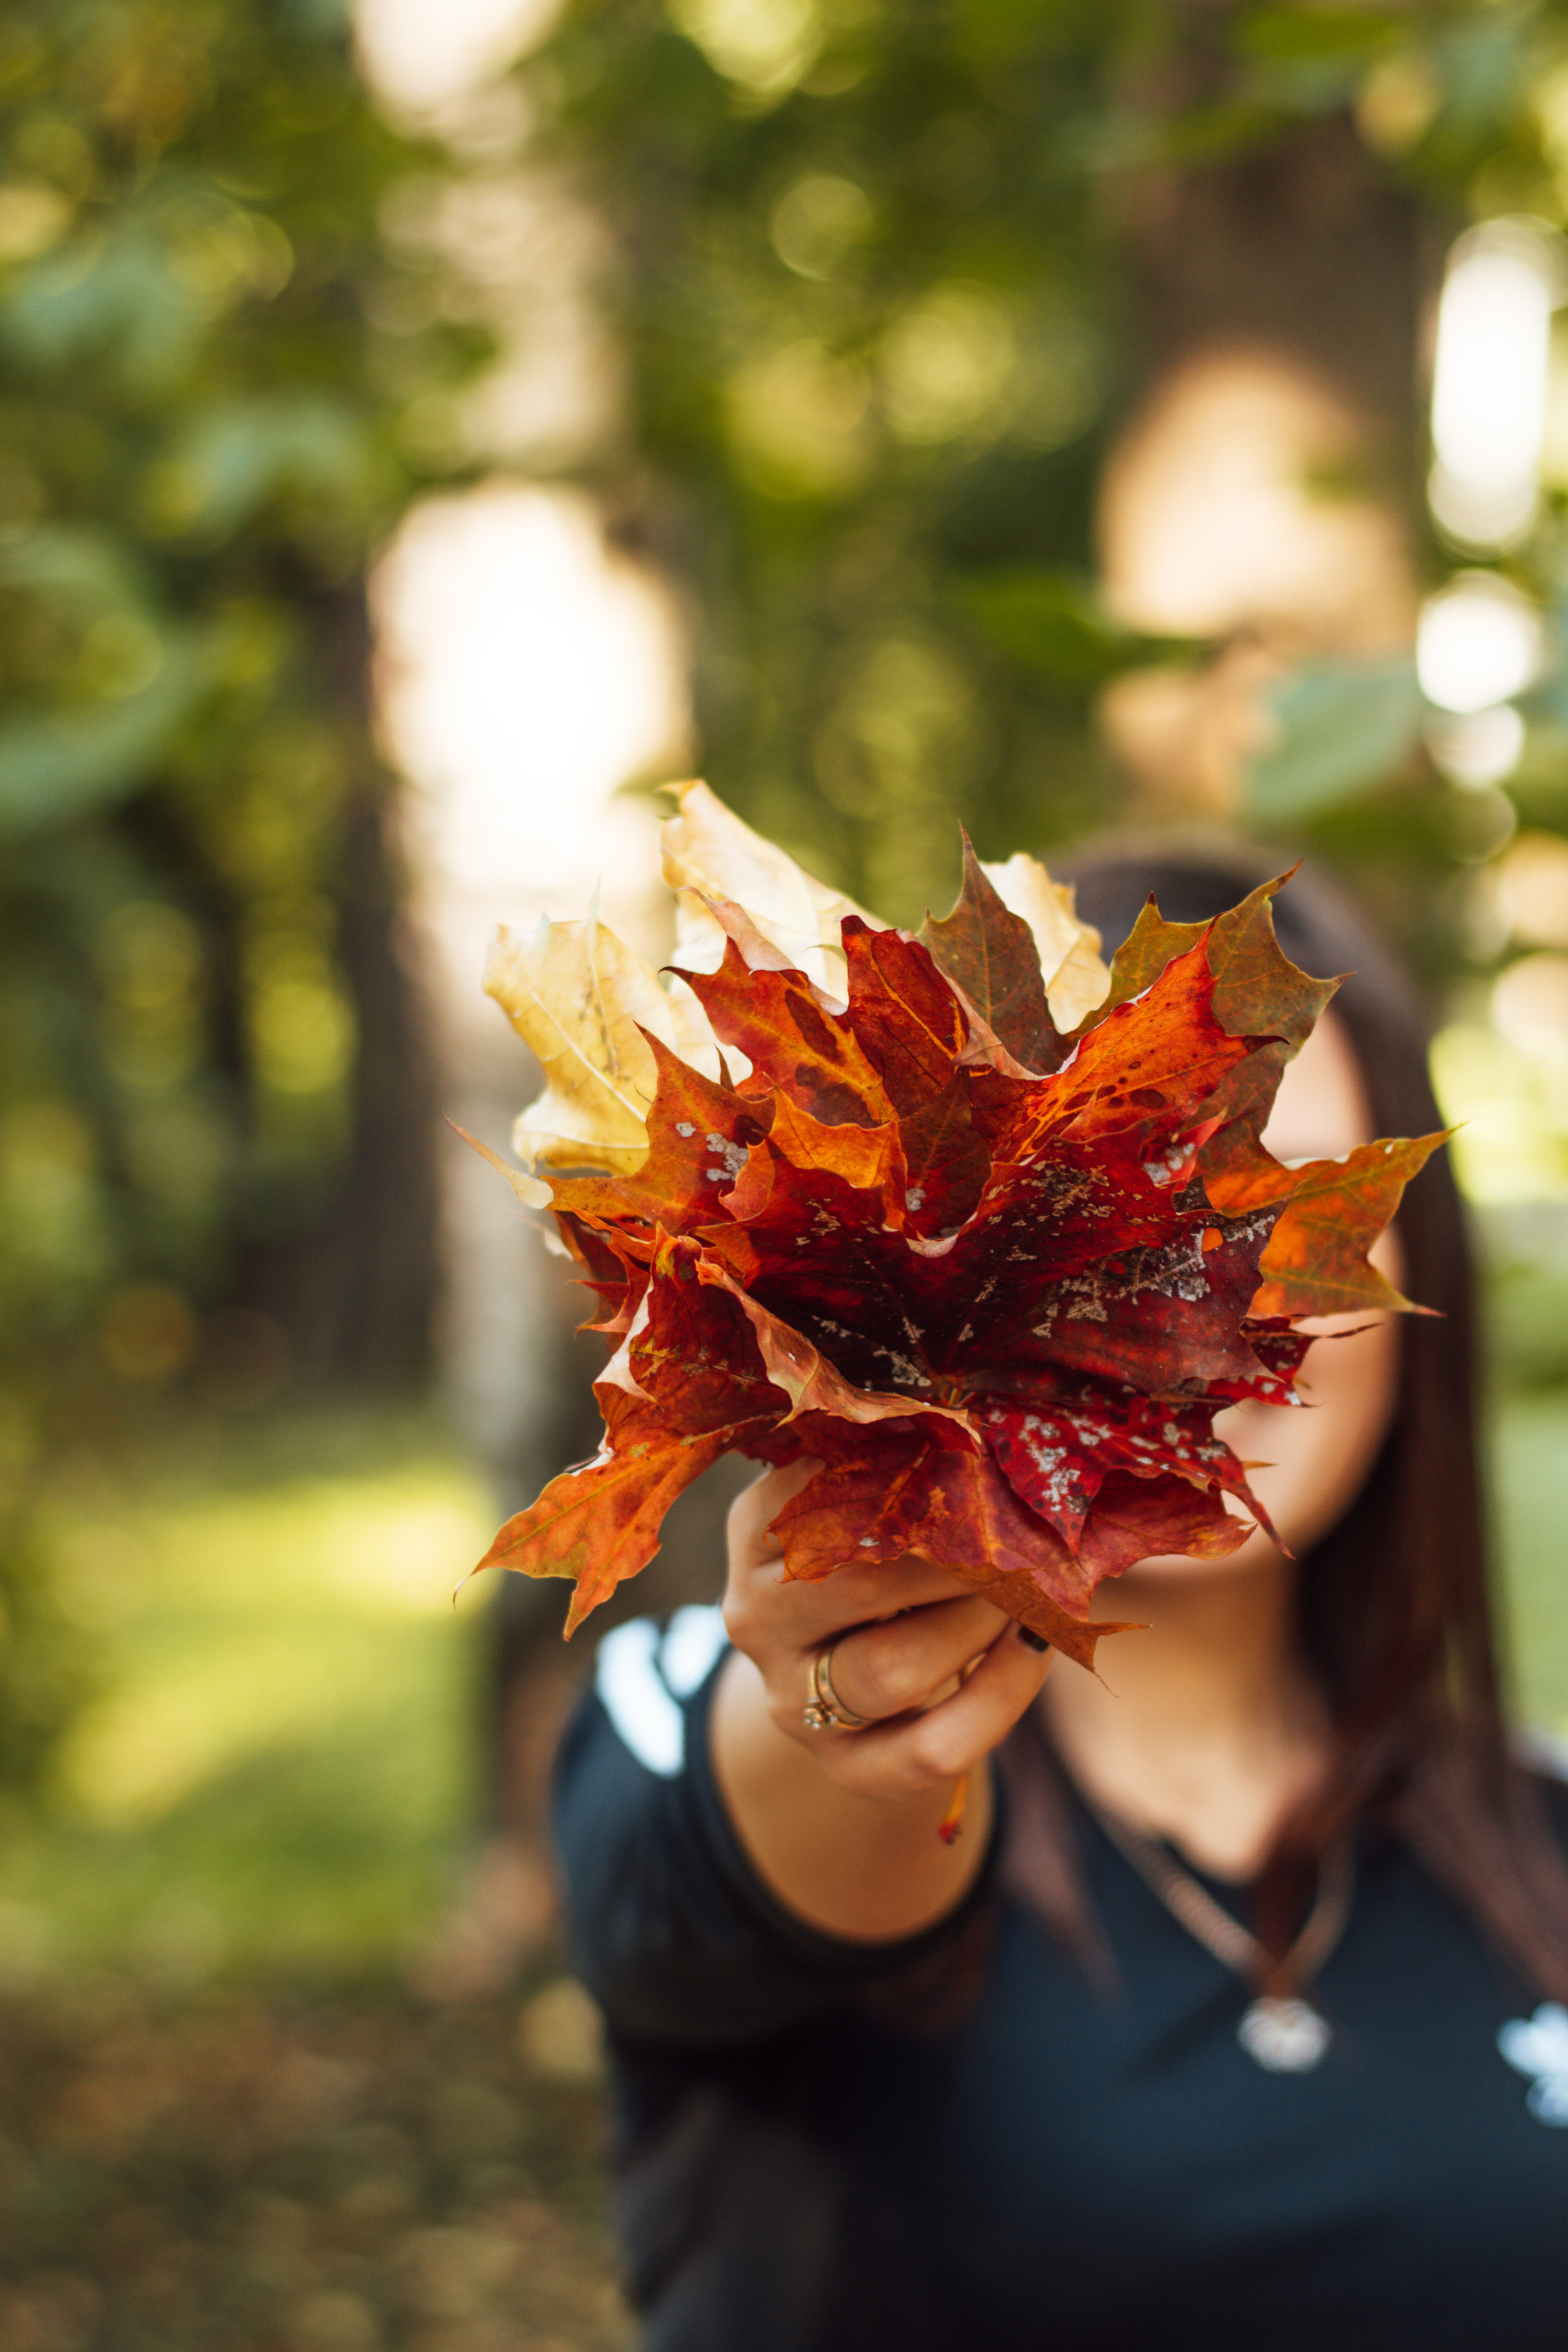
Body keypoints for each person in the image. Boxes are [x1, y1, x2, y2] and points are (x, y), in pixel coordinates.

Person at [552, 849, 1568, 2352]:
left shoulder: (1537, 1838)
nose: (1213, 1301)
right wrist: (856, 1714)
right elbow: (785, 1845)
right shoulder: (691, 1707)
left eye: (1287, 1210)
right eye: (1147, 1203)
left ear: (1412, 1274)